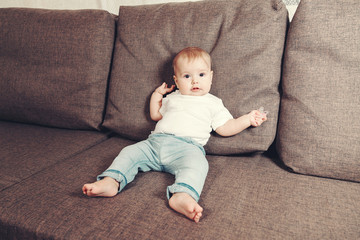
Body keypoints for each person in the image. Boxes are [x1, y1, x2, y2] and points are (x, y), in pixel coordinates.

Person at [82, 47, 267, 223]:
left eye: (201, 75)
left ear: (211, 77)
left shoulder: (213, 103)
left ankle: (182, 195)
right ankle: (111, 181)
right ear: (177, 81)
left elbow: (225, 127)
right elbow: (155, 115)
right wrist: (157, 94)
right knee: (129, 152)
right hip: (154, 143)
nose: (195, 81)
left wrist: (247, 119)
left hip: (187, 149)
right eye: (187, 76)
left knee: (198, 165)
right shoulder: (173, 98)